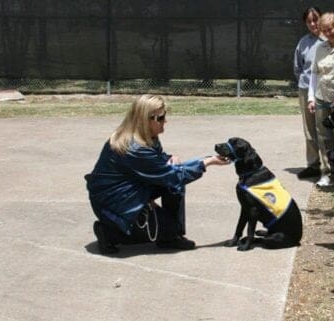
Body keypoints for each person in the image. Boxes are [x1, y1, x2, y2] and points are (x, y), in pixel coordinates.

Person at [85, 94, 230, 254]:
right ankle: (109, 233)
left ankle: (170, 236)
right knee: (158, 224)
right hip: (114, 204)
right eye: (161, 118)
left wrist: (170, 158)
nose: (165, 121)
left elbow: (158, 165)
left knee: (175, 181)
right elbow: (172, 176)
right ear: (146, 120)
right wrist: (207, 162)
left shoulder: (146, 138)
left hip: (129, 191)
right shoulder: (135, 148)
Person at [307, 12, 334, 187]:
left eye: (330, 29)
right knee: (324, 138)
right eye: (324, 30)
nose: (328, 33)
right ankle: (328, 172)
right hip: (321, 97)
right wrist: (311, 98)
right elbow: (314, 73)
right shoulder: (320, 48)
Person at [293, 7, 324, 180]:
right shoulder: (303, 42)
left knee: (326, 129)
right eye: (309, 21)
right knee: (310, 129)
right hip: (306, 90)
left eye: (316, 19)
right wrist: (305, 84)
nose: (313, 24)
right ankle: (313, 165)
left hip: (326, 91)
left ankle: (331, 166)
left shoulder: (331, 39)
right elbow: (298, 67)